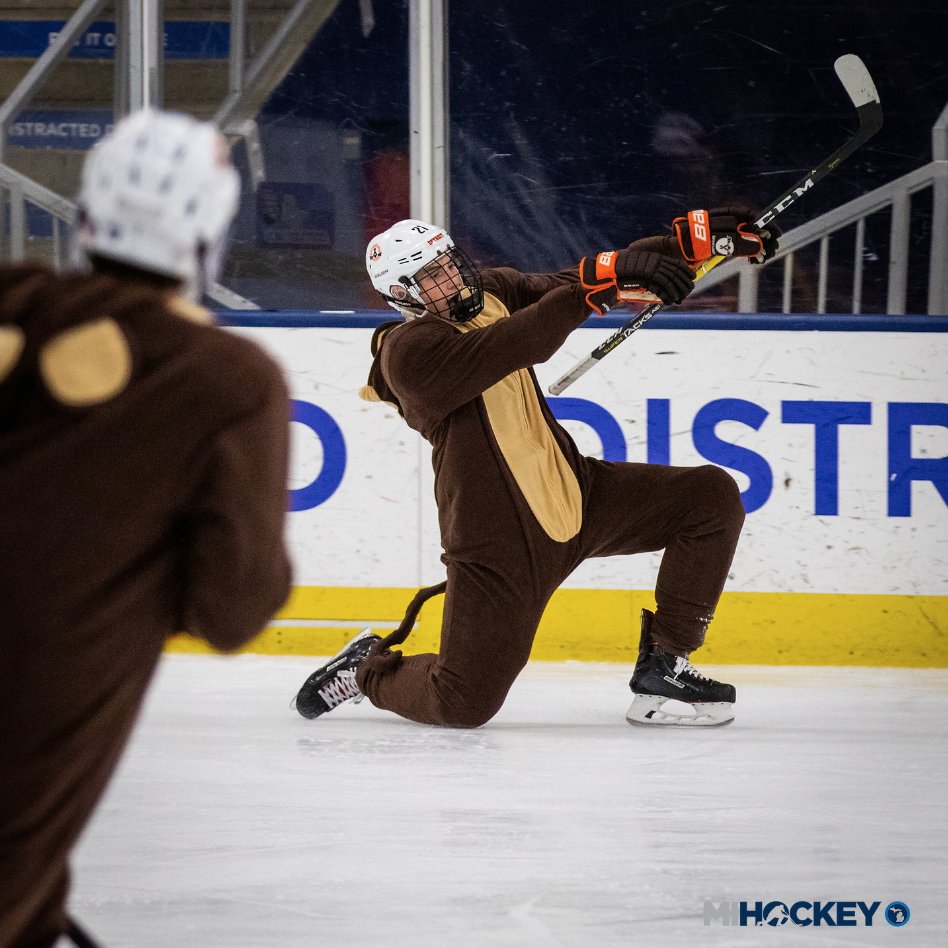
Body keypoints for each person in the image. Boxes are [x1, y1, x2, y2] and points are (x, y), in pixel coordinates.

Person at [292, 210, 778, 731]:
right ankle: (368, 668)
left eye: (451, 263)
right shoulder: (409, 353)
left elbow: (575, 280)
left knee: (710, 498)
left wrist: (683, 247)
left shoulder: (495, 292)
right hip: (498, 545)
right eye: (431, 277)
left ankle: (665, 663)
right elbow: (521, 341)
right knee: (462, 703)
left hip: (578, 495)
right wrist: (594, 287)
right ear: (404, 297)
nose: (452, 279)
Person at [0, 110, 292, 948]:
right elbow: (232, 610)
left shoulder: (14, 302)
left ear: (87, 214)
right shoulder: (224, 382)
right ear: (209, 232)